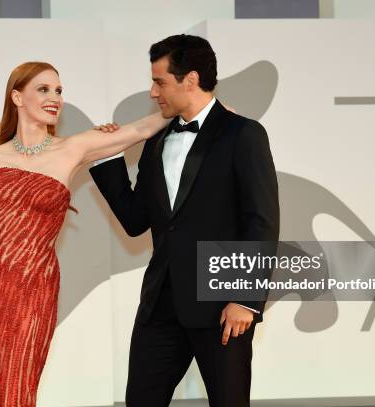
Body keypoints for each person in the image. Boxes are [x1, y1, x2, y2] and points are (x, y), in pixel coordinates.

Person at [0, 61, 168, 407]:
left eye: (58, 91)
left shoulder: (73, 148)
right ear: (17, 96)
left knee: (18, 382)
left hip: (34, 286)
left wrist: (206, 108)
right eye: (43, 89)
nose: (55, 97)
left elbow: (142, 128)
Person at [89, 34, 280, 407]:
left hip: (222, 303)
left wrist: (245, 298)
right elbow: (134, 220)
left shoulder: (243, 134)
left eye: (159, 81)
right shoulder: (157, 141)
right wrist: (104, 156)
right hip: (161, 303)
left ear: (190, 79)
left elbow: (262, 221)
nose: (152, 92)